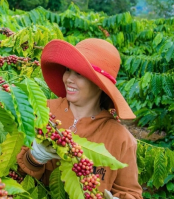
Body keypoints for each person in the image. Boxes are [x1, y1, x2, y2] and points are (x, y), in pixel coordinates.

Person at [16, 38, 143, 199]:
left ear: (99, 84)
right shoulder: (42, 110)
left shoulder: (120, 138)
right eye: (68, 70)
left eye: (79, 74)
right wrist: (34, 157)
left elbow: (131, 192)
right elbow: (14, 175)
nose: (68, 78)